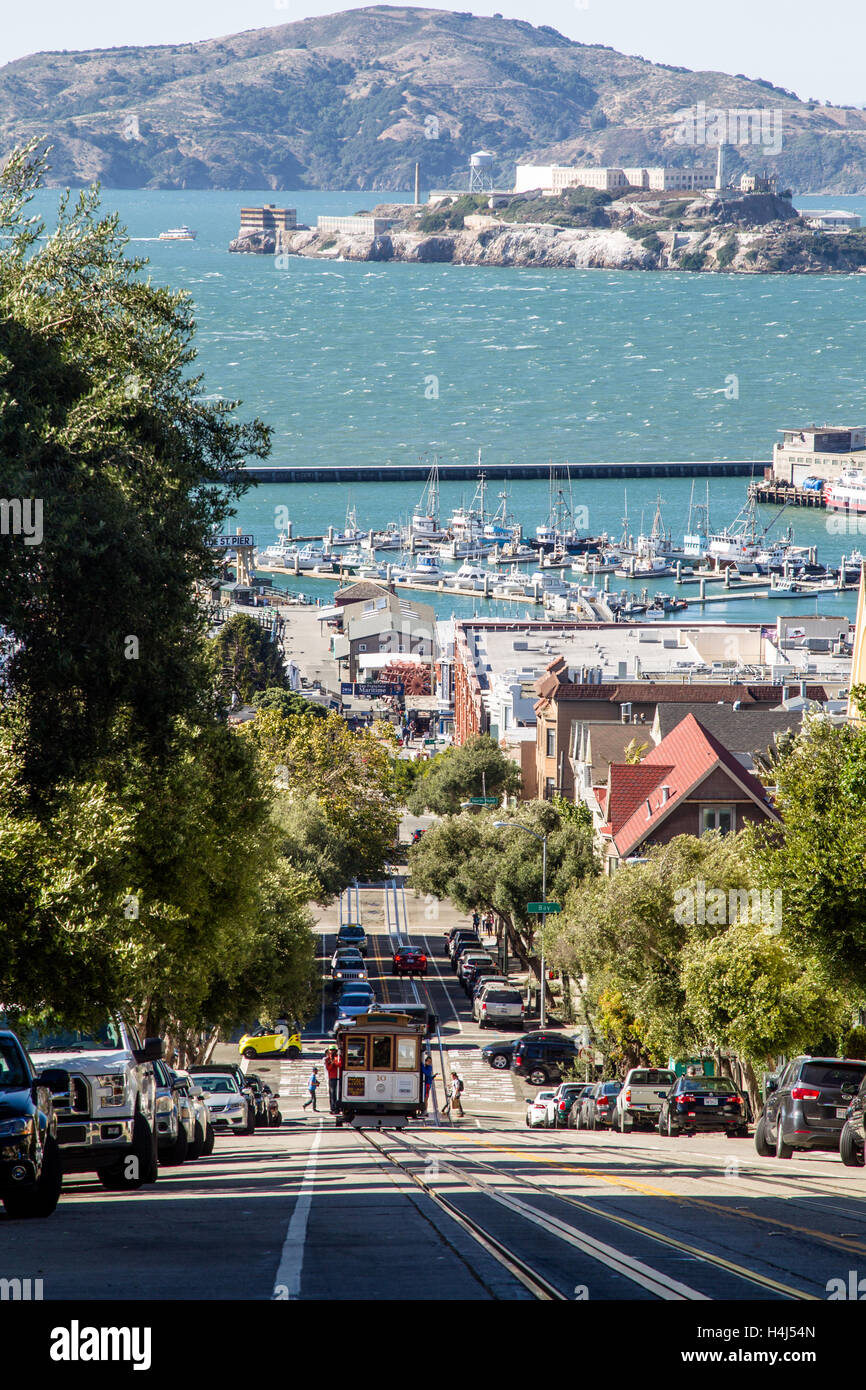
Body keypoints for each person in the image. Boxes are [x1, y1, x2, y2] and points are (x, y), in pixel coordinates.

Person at [324, 1045, 343, 1113]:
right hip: (332, 1078)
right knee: (332, 1094)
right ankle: (333, 1108)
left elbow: (340, 1064)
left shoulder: (338, 1057)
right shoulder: (327, 1059)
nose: (332, 1051)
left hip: (338, 1078)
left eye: (333, 1050)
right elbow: (328, 1068)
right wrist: (332, 1063)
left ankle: (338, 1107)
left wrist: (334, 1062)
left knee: (339, 1093)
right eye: (331, 1050)